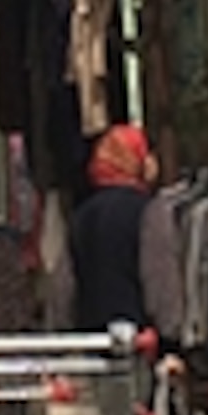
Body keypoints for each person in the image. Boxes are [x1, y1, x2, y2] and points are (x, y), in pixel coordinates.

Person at [70, 122, 161, 337]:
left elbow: (64, 288)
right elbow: (158, 279)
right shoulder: (148, 211)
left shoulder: (81, 215)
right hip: (140, 338)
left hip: (91, 338)